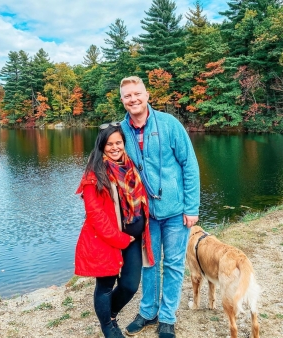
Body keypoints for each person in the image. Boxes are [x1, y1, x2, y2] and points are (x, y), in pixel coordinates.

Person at [119, 76, 200, 338]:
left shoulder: (169, 124)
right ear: (122, 100)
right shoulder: (120, 131)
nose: (133, 99)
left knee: (174, 265)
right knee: (149, 264)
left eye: (137, 93)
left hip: (176, 211)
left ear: (147, 95)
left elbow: (189, 165)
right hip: (144, 215)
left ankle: (167, 317)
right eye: (127, 96)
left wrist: (192, 207)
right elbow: (109, 164)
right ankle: (147, 312)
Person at [74, 123, 154, 338]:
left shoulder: (130, 167)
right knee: (106, 286)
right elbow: (95, 215)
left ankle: (109, 314)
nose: (115, 147)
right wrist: (120, 239)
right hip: (108, 240)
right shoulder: (94, 175)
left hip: (133, 239)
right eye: (109, 144)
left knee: (129, 285)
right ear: (102, 146)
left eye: (118, 142)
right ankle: (108, 326)